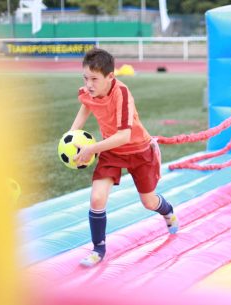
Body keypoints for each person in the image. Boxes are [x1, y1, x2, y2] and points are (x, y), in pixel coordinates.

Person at [71, 48, 178, 267]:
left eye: (94, 79)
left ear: (110, 77)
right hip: (112, 152)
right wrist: (71, 137)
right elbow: (85, 108)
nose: (89, 84)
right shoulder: (88, 92)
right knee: (97, 198)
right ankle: (98, 250)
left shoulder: (122, 94)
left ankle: (168, 211)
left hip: (139, 151)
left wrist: (92, 149)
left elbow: (124, 136)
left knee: (149, 202)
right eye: (85, 78)